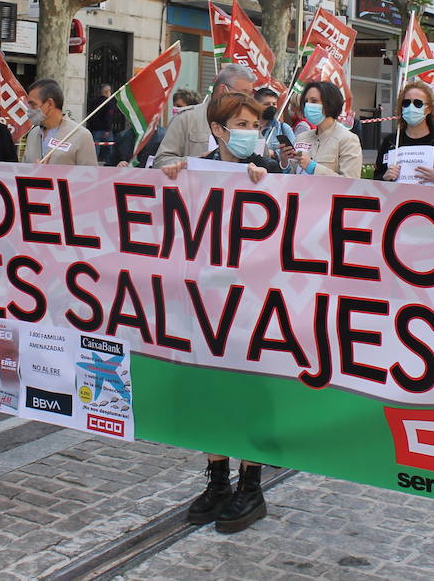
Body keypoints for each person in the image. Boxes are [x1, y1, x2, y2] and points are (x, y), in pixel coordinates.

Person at [159, 92, 283, 533]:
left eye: (255, 124)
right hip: (205, 301)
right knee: (208, 388)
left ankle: (251, 486)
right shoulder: (195, 171)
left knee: (248, 390)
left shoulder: (273, 173)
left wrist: (266, 181)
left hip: (253, 305)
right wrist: (171, 176)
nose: (250, 132)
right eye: (241, 124)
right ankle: (217, 481)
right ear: (217, 129)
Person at [153, 65, 257, 168]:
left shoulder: (252, 122)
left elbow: (265, 162)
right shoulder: (186, 118)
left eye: (250, 96)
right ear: (223, 89)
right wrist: (200, 162)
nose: (247, 100)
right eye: (242, 94)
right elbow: (161, 161)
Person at [374, 79, 434, 183]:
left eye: (417, 103)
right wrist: (384, 177)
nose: (411, 107)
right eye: (406, 103)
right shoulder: (390, 141)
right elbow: (376, 179)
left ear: (428, 109)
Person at [294, 81, 362, 177]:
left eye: (314, 101)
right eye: (306, 101)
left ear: (330, 103)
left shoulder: (348, 140)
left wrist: (313, 167)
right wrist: (285, 162)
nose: (308, 105)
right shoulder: (301, 138)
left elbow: (350, 182)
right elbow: (291, 173)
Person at [23, 79, 98, 165]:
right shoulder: (33, 134)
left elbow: (89, 175)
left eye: (33, 104)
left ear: (50, 104)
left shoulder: (81, 135)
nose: (29, 109)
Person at [254, 85, 297, 167]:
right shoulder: (249, 128)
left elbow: (293, 156)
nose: (272, 107)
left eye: (274, 104)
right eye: (267, 104)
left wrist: (274, 154)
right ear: (256, 105)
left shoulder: (284, 129)